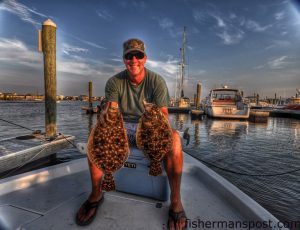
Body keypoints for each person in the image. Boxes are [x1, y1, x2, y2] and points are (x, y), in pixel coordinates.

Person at [76, 38, 187, 230]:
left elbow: (163, 118)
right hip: (123, 125)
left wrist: (149, 127)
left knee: (175, 139)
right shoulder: (114, 82)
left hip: (149, 124)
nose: (134, 60)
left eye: (138, 55)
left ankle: (175, 200)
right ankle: (96, 193)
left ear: (145, 58)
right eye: (129, 56)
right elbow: (112, 113)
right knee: (94, 137)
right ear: (124, 59)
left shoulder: (156, 81)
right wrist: (106, 118)